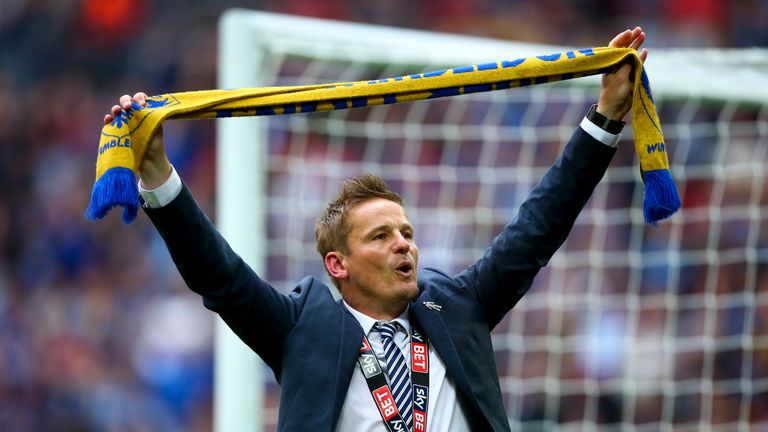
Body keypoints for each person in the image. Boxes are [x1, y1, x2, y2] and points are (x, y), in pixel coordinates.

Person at [105, 27, 648, 432]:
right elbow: (217, 275)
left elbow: (538, 228)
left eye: (406, 231)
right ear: (337, 265)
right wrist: (156, 173)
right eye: (380, 235)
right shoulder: (301, 327)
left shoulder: (459, 305)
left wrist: (604, 118)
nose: (403, 242)